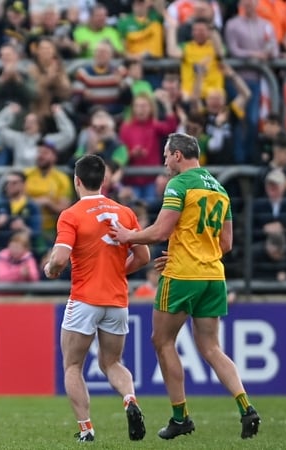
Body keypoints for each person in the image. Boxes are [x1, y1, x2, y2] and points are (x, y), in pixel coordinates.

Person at [109, 132, 261, 440]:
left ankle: (180, 418)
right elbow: (226, 244)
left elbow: (160, 231)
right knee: (211, 347)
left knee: (162, 342)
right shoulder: (219, 189)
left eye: (166, 155)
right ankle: (246, 407)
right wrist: (189, 252)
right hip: (213, 276)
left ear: (178, 155)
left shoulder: (178, 184)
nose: (164, 161)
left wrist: (126, 236)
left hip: (183, 277)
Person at [44, 154, 150, 443]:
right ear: (104, 180)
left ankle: (86, 429)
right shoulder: (125, 212)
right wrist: (118, 271)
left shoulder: (71, 214)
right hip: (117, 300)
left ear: (76, 181)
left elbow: (60, 257)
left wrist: (50, 269)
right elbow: (143, 256)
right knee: (112, 362)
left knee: (73, 365)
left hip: (85, 299)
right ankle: (129, 399)